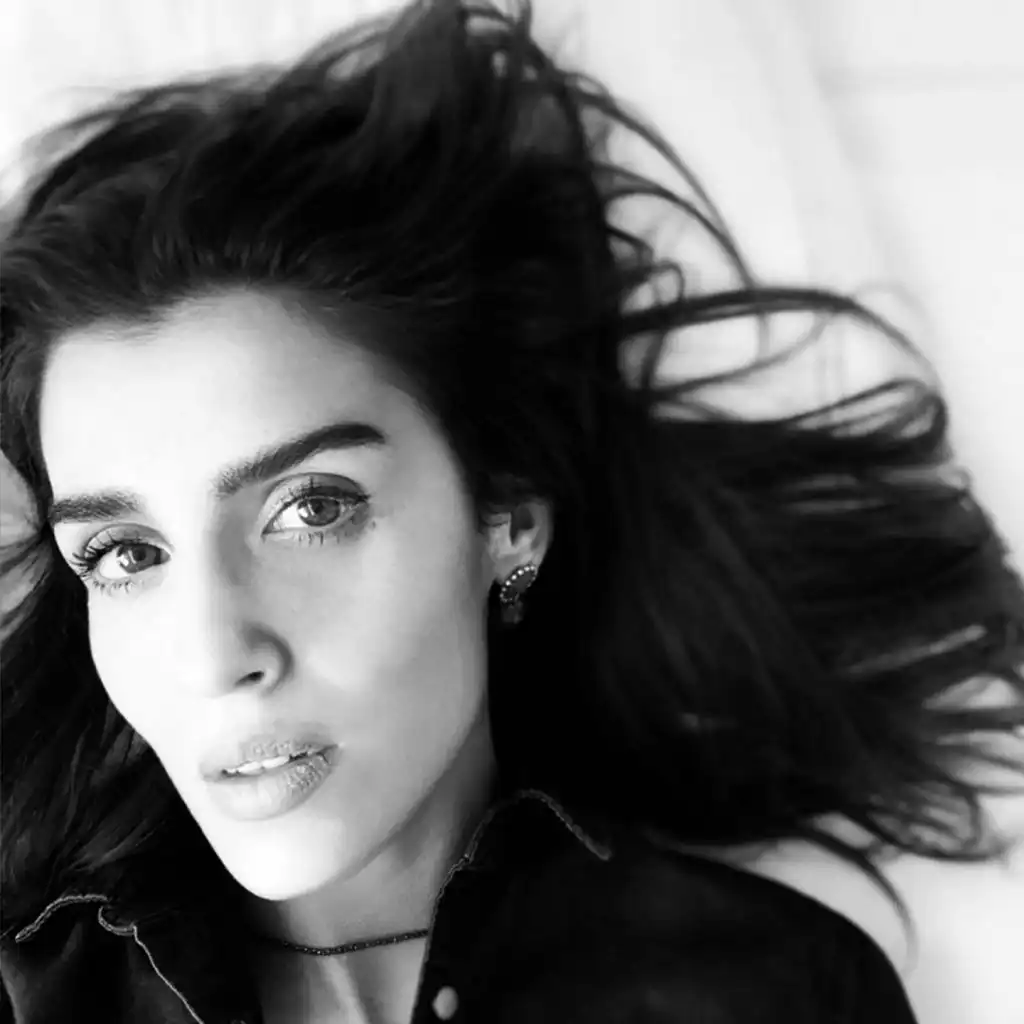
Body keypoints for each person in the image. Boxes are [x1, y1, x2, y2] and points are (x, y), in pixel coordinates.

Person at [1, 1, 1022, 1021]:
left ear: (506, 521)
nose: (214, 654)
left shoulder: (765, 991)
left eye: (311, 508)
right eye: (126, 554)